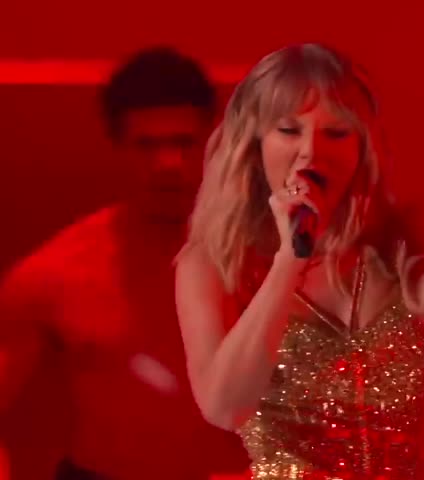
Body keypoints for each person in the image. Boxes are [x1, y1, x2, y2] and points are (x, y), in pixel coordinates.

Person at [175, 43, 424, 479]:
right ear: (255, 142)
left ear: (362, 146)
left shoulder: (396, 233)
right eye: (289, 130)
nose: (310, 152)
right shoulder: (211, 263)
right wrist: (288, 261)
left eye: (336, 133)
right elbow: (224, 407)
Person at [0, 47, 249, 479]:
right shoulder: (59, 273)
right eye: (146, 145)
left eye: (183, 143)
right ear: (117, 145)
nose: (167, 164)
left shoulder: (273, 261)